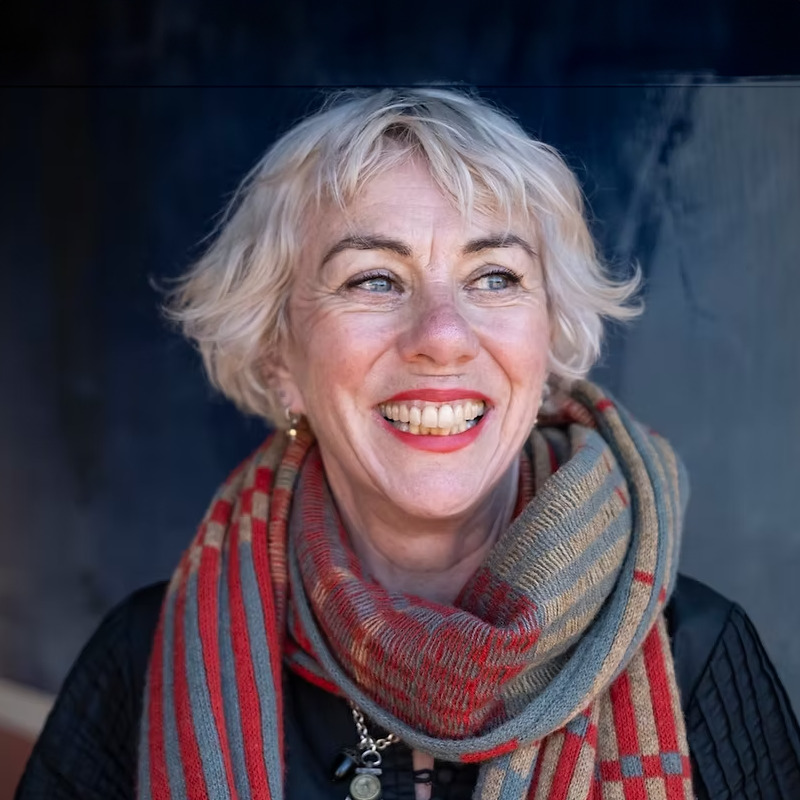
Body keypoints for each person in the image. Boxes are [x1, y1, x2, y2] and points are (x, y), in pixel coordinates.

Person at [16, 88, 800, 800]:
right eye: (373, 280)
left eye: (494, 277)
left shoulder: (697, 654)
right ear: (280, 358)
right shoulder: (143, 661)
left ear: (549, 341)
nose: (443, 335)